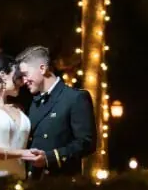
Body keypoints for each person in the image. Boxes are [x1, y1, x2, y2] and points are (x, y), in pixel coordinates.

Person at [17, 46, 96, 179]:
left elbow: (86, 143)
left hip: (62, 185)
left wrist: (50, 158)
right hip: (33, 183)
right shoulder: (35, 103)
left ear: (43, 68)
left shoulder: (75, 98)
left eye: (26, 74)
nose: (24, 81)